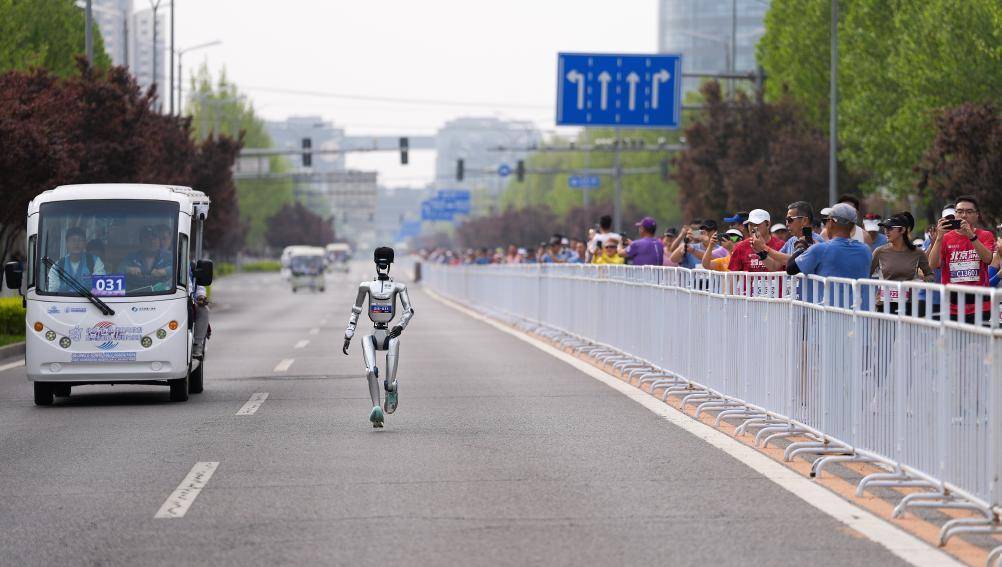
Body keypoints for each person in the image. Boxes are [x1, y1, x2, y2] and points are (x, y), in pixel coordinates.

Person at [342, 247, 415, 428]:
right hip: (374, 335)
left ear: (388, 264)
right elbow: (356, 310)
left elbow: (409, 310)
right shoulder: (366, 286)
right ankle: (376, 409)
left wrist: (400, 325)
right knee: (370, 371)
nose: (383, 266)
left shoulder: (398, 287)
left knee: (389, 380)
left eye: (385, 262)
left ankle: (391, 389)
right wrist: (349, 333)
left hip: (391, 335)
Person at [927, 195, 995, 323]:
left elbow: (987, 259)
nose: (964, 215)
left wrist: (971, 235)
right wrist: (939, 238)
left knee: (979, 337)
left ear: (977, 215)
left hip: (980, 305)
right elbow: (932, 265)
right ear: (955, 214)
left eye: (969, 212)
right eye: (959, 211)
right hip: (952, 306)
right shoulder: (946, 238)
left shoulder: (986, 235)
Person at [787, 203, 871, 279]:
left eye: (825, 221)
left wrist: (801, 245)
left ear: (831, 223)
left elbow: (790, 268)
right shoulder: (865, 250)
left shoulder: (819, 249)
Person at [871, 212, 933, 313]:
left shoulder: (917, 253)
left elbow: (930, 275)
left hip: (909, 305)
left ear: (902, 230)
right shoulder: (879, 251)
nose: (886, 232)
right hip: (884, 305)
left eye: (890, 228)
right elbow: (866, 273)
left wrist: (919, 282)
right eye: (885, 228)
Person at [47, 226, 106, 291]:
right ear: (67, 243)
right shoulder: (58, 265)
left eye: (80, 240)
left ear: (85, 243)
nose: (76, 244)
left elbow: (100, 287)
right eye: (73, 240)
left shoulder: (95, 262)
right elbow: (52, 290)